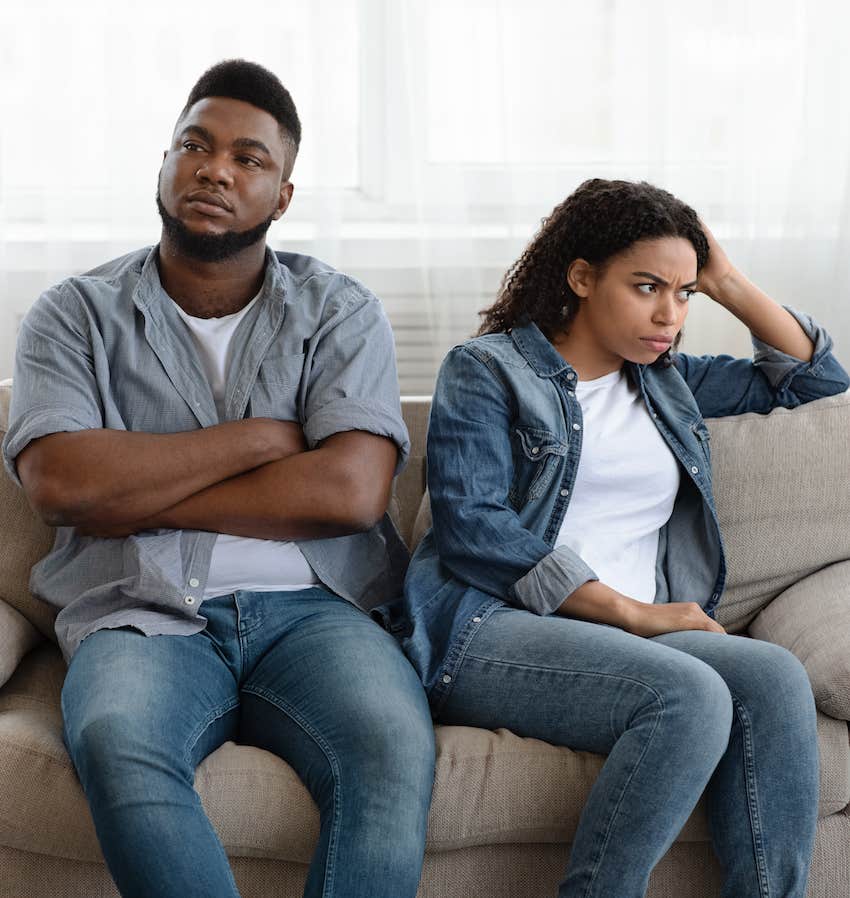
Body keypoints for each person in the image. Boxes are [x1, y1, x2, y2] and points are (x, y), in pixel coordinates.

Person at [2, 59, 435, 898]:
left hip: (319, 610)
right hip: (137, 606)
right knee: (118, 740)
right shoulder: (73, 312)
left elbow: (348, 494)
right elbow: (60, 484)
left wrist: (128, 497)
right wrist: (260, 440)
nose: (216, 169)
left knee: (390, 746)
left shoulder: (338, 311)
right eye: (195, 146)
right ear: (163, 166)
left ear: (282, 197)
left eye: (250, 159)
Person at [397, 179, 850, 898]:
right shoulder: (487, 371)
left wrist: (726, 278)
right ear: (581, 277)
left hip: (640, 641)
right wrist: (630, 612)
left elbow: (819, 382)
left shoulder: (670, 384)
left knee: (774, 676)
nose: (669, 314)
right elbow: (474, 527)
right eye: (647, 287)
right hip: (494, 629)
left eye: (684, 292)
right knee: (693, 696)